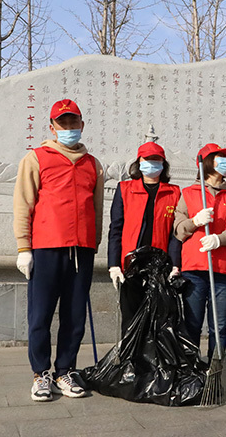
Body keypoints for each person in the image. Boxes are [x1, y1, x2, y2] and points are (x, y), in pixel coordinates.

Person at [13, 98, 104, 402]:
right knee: (40, 315)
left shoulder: (93, 164)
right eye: (61, 123)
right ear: (52, 127)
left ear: (81, 125)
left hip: (82, 249)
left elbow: (97, 207)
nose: (68, 128)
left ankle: (65, 369)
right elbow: (23, 204)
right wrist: (23, 247)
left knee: (74, 315)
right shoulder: (36, 158)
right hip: (47, 248)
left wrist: (95, 241)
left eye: (72, 122)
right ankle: (41, 373)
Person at [173, 143, 226, 361]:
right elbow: (178, 230)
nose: (225, 163)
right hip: (195, 269)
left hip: (223, 270)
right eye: (219, 158)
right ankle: (191, 370)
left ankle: (215, 370)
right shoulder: (188, 194)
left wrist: (220, 239)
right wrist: (195, 221)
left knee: (219, 326)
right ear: (206, 163)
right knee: (192, 324)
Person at [107, 141, 182, 329]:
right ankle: (130, 358)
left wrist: (175, 265)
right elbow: (116, 228)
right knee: (130, 318)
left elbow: (175, 233)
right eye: (147, 159)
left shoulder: (173, 192)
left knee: (157, 319)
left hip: (159, 265)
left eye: (156, 160)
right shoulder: (125, 189)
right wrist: (114, 265)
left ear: (163, 164)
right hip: (130, 264)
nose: (152, 164)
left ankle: (154, 358)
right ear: (139, 162)